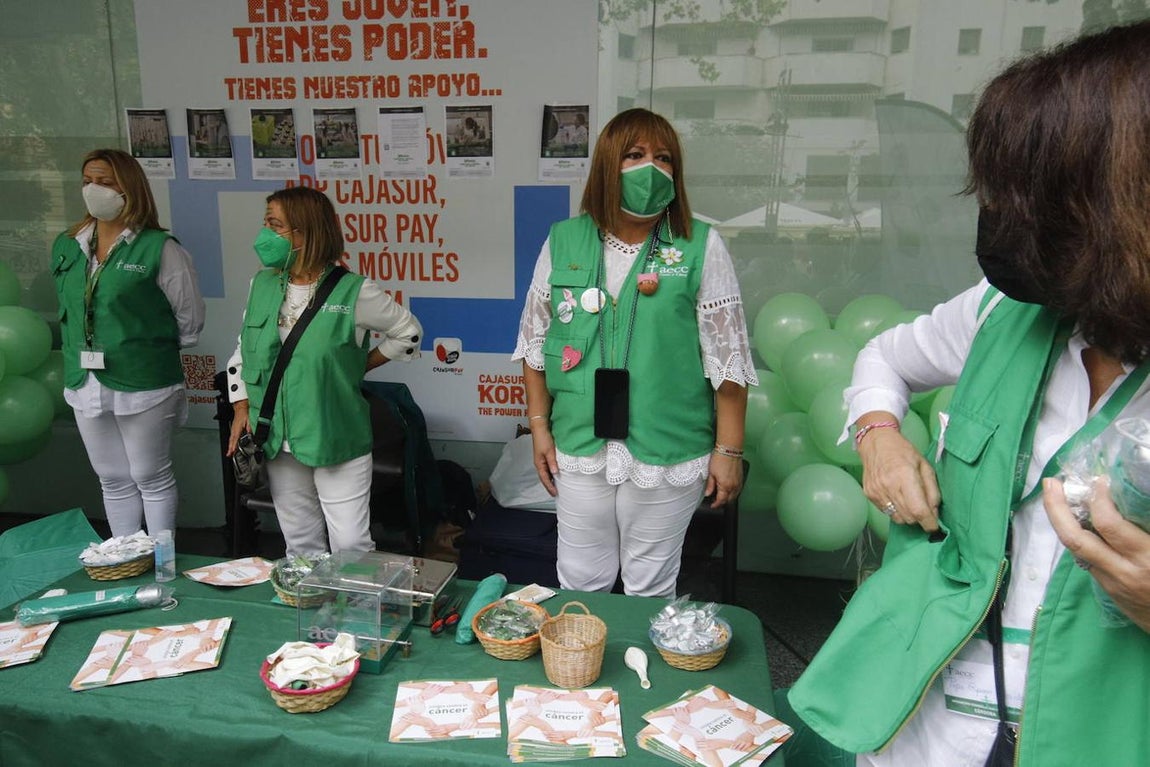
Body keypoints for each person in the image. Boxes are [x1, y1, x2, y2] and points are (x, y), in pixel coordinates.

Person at [788, 22, 1150, 767]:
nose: (1005, 223)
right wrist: (878, 434)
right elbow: (883, 357)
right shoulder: (1001, 311)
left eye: (1036, 198)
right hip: (935, 714)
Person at [512, 108, 757, 598]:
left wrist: (728, 452)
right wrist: (539, 429)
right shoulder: (564, 240)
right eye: (636, 155)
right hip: (579, 443)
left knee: (649, 583)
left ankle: (644, 676)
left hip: (668, 446)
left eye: (664, 158)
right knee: (580, 582)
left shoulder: (699, 245)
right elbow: (535, 346)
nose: (652, 168)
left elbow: (728, 361)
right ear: (607, 164)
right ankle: (579, 673)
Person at [224, 186, 423, 556]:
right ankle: (310, 607)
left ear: (305, 232)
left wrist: (358, 365)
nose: (265, 233)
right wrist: (240, 407)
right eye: (265, 222)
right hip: (277, 433)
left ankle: (356, 610)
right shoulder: (262, 284)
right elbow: (242, 349)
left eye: (275, 224)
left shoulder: (354, 291)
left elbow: (407, 332)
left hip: (336, 434)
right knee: (299, 540)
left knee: (350, 542)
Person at [52, 148, 205, 538]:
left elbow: (189, 319)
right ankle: (126, 558)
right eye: (88, 181)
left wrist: (144, 344)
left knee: (149, 474)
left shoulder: (159, 247)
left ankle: (162, 566)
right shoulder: (68, 244)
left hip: (144, 380)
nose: (94, 189)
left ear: (129, 187)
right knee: (112, 477)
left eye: (105, 181)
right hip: (84, 379)